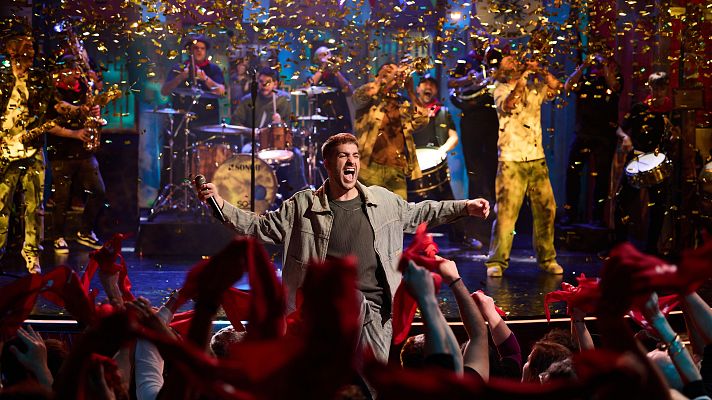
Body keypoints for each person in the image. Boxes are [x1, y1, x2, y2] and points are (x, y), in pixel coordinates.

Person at [195, 132, 490, 366]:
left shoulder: (383, 201)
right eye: (343, 156)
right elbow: (258, 226)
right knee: (327, 383)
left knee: (369, 386)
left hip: (376, 313)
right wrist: (219, 204)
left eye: (355, 155)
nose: (351, 161)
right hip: (323, 314)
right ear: (327, 163)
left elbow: (421, 212)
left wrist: (465, 206)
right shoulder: (303, 206)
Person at [484, 55, 564, 277]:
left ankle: (547, 259)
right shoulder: (500, 89)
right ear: (501, 69)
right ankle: (496, 261)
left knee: (547, 209)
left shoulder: (534, 87)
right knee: (506, 214)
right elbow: (510, 104)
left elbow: (557, 87)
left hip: (536, 158)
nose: (514, 63)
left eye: (515, 60)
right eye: (508, 61)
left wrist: (540, 70)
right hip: (511, 160)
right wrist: (524, 77)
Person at [0, 31, 54, 273]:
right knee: (2, 205)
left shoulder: (39, 79)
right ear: (12, 51)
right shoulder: (2, 78)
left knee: (34, 205)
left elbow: (55, 107)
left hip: (32, 149)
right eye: (25, 47)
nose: (31, 52)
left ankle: (32, 253)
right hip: (5, 150)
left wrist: (80, 109)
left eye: (32, 47)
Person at [46, 54, 107, 253]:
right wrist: (75, 133)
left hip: (84, 151)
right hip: (61, 152)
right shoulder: (52, 92)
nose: (74, 75)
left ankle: (85, 231)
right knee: (62, 198)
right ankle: (58, 236)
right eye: (68, 71)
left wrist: (96, 112)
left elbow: (89, 110)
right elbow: (49, 126)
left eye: (75, 70)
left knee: (98, 191)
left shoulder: (84, 89)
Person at [614, 72, 678, 255]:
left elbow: (676, 134)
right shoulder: (639, 108)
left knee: (658, 207)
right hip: (636, 158)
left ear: (666, 89)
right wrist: (625, 137)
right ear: (650, 88)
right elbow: (620, 128)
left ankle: (651, 249)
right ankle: (620, 246)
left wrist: (674, 136)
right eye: (654, 88)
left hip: (658, 163)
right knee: (622, 202)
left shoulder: (671, 111)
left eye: (661, 88)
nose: (658, 92)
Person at [449, 43, 502, 250]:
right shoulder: (465, 61)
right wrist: (471, 79)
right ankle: (476, 230)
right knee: (475, 174)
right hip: (471, 119)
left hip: (494, 120)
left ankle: (496, 232)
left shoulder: (497, 57)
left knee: (493, 174)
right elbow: (452, 83)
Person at [353, 63, 428, 200]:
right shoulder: (371, 99)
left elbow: (422, 119)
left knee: (399, 212)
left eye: (394, 70)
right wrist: (379, 81)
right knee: (371, 211)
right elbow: (356, 99)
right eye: (387, 70)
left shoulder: (403, 104)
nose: (393, 73)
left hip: (397, 170)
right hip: (369, 168)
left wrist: (410, 91)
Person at [562, 52, 622, 225]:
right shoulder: (586, 79)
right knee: (573, 172)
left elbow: (615, 86)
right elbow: (568, 86)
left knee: (602, 177)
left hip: (604, 136)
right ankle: (571, 213)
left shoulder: (615, 78)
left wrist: (605, 65)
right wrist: (584, 66)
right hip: (583, 133)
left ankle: (597, 217)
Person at [232, 67, 308, 199]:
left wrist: (280, 123)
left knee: (296, 155)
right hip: (254, 143)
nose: (263, 86)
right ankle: (250, 197)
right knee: (245, 153)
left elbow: (290, 127)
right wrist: (252, 132)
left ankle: (298, 196)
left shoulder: (283, 100)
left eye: (267, 82)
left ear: (275, 84)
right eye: (261, 82)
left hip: (279, 145)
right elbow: (235, 124)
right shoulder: (248, 100)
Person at [160, 35, 225, 125]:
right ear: (190, 50)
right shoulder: (178, 68)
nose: (199, 51)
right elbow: (164, 91)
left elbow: (221, 92)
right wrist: (181, 76)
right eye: (196, 48)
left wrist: (205, 78)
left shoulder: (214, 69)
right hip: (182, 121)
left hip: (208, 121)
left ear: (206, 51)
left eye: (202, 48)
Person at [303, 45, 353, 135]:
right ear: (316, 59)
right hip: (321, 117)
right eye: (321, 55)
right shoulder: (313, 74)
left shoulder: (340, 74)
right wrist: (322, 69)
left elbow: (349, 91)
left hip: (341, 117)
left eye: (327, 54)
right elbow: (308, 89)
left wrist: (336, 71)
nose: (325, 57)